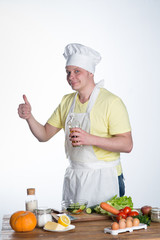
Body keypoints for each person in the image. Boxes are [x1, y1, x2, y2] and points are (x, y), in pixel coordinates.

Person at [18, 43, 133, 206]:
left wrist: (90, 139)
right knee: (74, 230)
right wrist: (29, 117)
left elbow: (127, 144)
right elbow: (44, 135)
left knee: (102, 230)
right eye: (68, 72)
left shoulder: (111, 102)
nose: (71, 76)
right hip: (76, 179)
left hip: (105, 179)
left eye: (76, 71)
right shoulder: (67, 102)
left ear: (90, 73)